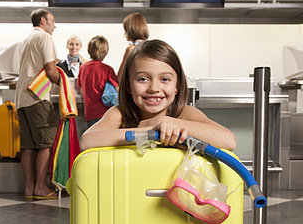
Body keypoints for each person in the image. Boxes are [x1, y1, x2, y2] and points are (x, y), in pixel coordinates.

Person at [80, 39, 236, 151]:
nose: (154, 88)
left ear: (177, 86)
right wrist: (148, 131)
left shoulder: (184, 114)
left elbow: (228, 140)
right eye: (142, 79)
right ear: (128, 85)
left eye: (165, 79)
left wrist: (165, 121)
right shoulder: (119, 114)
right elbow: (87, 140)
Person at [15, 9, 61, 200]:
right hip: (38, 97)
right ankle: (41, 187)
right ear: (43, 21)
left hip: (21, 99)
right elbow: (51, 71)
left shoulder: (25, 39)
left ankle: (29, 188)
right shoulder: (45, 37)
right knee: (45, 144)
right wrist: (64, 82)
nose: (54, 26)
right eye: (52, 21)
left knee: (27, 146)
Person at [77, 35, 119, 128]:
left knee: (93, 139)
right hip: (105, 113)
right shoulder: (108, 69)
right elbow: (117, 89)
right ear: (105, 52)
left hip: (89, 113)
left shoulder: (83, 68)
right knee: (105, 140)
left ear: (89, 50)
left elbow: (80, 89)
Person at [117, 12, 149, 83]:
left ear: (130, 30)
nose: (125, 34)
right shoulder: (151, 47)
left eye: (125, 30)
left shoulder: (131, 49)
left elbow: (119, 78)